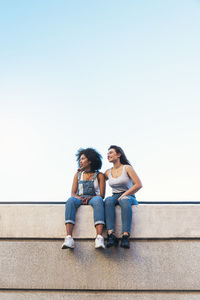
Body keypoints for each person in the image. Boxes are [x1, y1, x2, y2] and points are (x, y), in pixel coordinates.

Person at [62, 148, 105, 249]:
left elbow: (102, 195)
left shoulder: (100, 175)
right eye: (80, 159)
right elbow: (73, 193)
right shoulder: (78, 175)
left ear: (90, 160)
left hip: (94, 198)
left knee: (99, 201)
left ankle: (99, 237)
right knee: (70, 201)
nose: (80, 161)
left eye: (83, 159)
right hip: (79, 197)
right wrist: (79, 198)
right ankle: (69, 238)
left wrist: (90, 197)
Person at [104, 145, 142, 249]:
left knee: (124, 201)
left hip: (129, 195)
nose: (108, 155)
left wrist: (125, 195)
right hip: (114, 196)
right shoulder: (108, 172)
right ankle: (111, 234)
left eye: (111, 152)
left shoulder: (127, 168)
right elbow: (97, 179)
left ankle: (125, 236)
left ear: (119, 154)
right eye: (107, 153)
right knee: (108, 201)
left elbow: (138, 184)